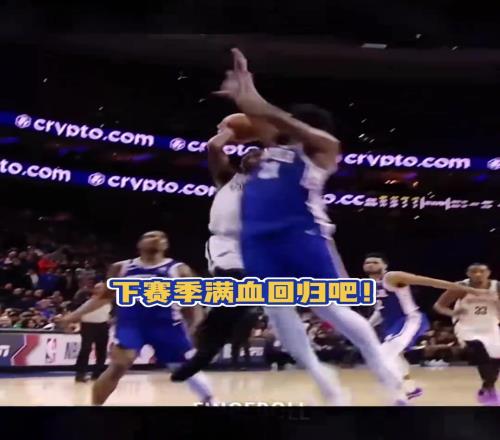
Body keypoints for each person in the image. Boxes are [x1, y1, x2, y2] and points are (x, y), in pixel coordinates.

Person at [213, 48, 408, 405]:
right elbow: (258, 114)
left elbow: (269, 115)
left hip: (300, 232)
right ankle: (323, 378)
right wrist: (245, 83)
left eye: (287, 122)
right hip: (256, 240)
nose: (273, 127)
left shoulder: (323, 147)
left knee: (327, 307)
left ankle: (383, 367)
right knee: (277, 309)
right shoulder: (271, 146)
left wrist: (252, 97)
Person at [60, 231, 213, 405]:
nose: (156, 238)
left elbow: (193, 304)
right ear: (139, 244)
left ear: (166, 245)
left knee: (184, 367)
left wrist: (198, 327)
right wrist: (72, 316)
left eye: (162, 237)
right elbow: (102, 298)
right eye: (150, 236)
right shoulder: (121, 267)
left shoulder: (179, 269)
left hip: (167, 325)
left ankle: (210, 401)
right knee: (118, 366)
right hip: (131, 325)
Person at [170, 120, 262, 382]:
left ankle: (207, 345)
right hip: (226, 245)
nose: (255, 156)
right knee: (234, 290)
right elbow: (213, 147)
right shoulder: (228, 178)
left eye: (260, 155)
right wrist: (230, 131)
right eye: (250, 154)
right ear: (241, 162)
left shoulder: (274, 187)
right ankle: (206, 346)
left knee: (240, 304)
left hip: (257, 247)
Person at [364, 253, 486, 399]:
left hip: (409, 319)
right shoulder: (371, 284)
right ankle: (411, 389)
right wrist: (366, 325)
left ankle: (397, 391)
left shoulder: (392, 277)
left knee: (383, 355)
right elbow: (379, 309)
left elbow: (429, 281)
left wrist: (468, 289)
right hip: (391, 324)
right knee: (394, 356)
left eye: (375, 262)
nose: (370, 265)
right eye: (367, 262)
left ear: (384, 265)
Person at [434, 263, 500, 405]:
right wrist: (453, 313)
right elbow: (439, 305)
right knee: (481, 351)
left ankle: (487, 386)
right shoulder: (460, 287)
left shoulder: (497, 287)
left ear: (488, 273)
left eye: (481, 271)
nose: (478, 274)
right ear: (468, 274)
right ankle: (490, 390)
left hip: (490, 327)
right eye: (474, 271)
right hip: (467, 327)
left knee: (496, 359)